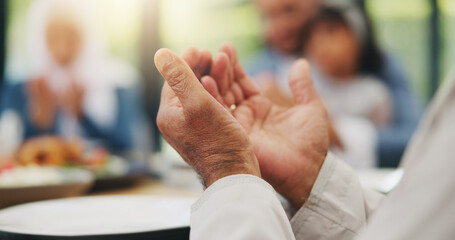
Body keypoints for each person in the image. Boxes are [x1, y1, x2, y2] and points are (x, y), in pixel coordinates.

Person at [154, 44, 455, 239]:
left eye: (289, 9)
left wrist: (226, 166)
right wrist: (313, 181)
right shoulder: (262, 63)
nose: (277, 28)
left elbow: (409, 137)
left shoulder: (382, 68)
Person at [248, 0, 421, 167]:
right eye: (266, 16)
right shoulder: (259, 74)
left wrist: (331, 129)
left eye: (289, 10)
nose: (280, 26)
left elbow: (416, 140)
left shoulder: (376, 66)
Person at [0, 0, 141, 153]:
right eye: (53, 37)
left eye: (71, 36)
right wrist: (41, 121)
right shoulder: (25, 87)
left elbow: (127, 147)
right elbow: (12, 152)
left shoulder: (118, 82)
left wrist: (82, 116)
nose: (62, 50)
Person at [302, 4, 393, 168]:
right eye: (313, 36)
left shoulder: (374, 94)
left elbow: (380, 146)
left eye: (331, 32)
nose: (320, 44)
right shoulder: (308, 86)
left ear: (357, 38)